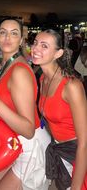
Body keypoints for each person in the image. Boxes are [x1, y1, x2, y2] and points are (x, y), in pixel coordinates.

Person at [0, 19, 51, 190]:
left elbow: (28, 130)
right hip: (12, 142)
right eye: (3, 32)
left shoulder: (19, 71)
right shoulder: (8, 65)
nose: (8, 37)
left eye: (14, 33)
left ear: (21, 40)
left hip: (29, 147)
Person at [31, 29, 87, 189]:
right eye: (35, 43)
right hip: (58, 149)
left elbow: (84, 143)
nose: (36, 49)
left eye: (44, 46)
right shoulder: (43, 78)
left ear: (58, 53)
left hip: (76, 155)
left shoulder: (71, 86)